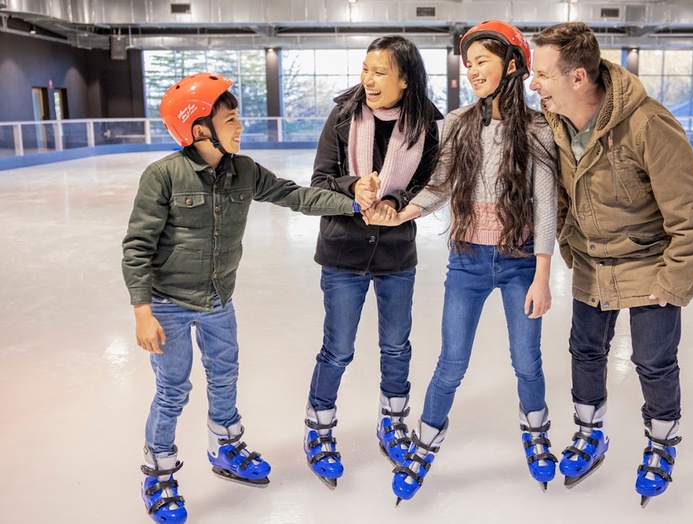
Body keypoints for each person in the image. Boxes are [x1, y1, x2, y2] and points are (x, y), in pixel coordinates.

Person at [122, 72, 372, 524]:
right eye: (231, 119)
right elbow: (137, 246)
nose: (241, 127)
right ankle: (157, 473)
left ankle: (225, 447)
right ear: (200, 129)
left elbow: (295, 196)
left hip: (218, 301)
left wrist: (353, 203)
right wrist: (142, 311)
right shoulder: (163, 176)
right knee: (173, 390)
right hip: (168, 304)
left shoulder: (245, 171)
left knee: (224, 377)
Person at [368, 20, 559, 504]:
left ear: (512, 66)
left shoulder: (538, 128)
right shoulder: (456, 123)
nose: (472, 71)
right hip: (468, 263)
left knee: (527, 361)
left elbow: (546, 200)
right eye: (468, 63)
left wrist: (542, 275)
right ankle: (423, 446)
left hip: (519, 263)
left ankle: (536, 435)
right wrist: (399, 216)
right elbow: (440, 185)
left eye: (483, 62)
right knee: (451, 363)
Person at [529, 23, 693, 506]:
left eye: (543, 74)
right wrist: (570, 248)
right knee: (584, 353)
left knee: (653, 362)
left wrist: (674, 279)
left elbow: (692, 215)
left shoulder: (648, 125)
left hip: (650, 265)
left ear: (578, 77)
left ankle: (660, 445)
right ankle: (591, 436)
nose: (534, 84)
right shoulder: (555, 125)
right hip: (592, 263)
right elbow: (563, 200)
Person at [301, 35, 442, 490]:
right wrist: (354, 187)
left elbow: (425, 184)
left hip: (396, 254)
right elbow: (320, 179)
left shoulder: (426, 126)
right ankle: (319, 429)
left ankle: (393, 422)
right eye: (365, 69)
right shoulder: (343, 116)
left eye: (380, 72)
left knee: (396, 346)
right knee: (338, 348)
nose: (369, 79)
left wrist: (396, 198)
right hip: (343, 251)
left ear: (405, 78)